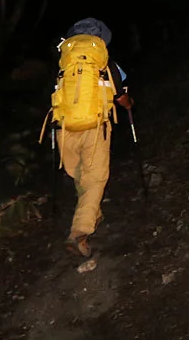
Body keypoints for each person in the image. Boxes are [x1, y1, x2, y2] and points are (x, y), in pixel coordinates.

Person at [55, 17, 133, 258]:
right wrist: (129, 103)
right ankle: (80, 231)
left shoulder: (64, 63)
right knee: (95, 178)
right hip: (95, 127)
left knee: (80, 175)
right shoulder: (107, 64)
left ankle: (93, 213)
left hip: (64, 128)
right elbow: (120, 96)